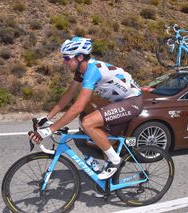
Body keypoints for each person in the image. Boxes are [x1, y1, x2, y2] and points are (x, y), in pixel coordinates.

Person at [29, 37, 143, 180]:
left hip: (132, 102)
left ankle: (116, 161)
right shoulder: (81, 71)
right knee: (102, 139)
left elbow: (77, 107)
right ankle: (110, 183)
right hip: (118, 102)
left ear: (80, 57)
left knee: (88, 122)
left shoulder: (92, 71)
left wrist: (49, 130)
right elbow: (69, 94)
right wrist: (48, 117)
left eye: (66, 58)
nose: (64, 62)